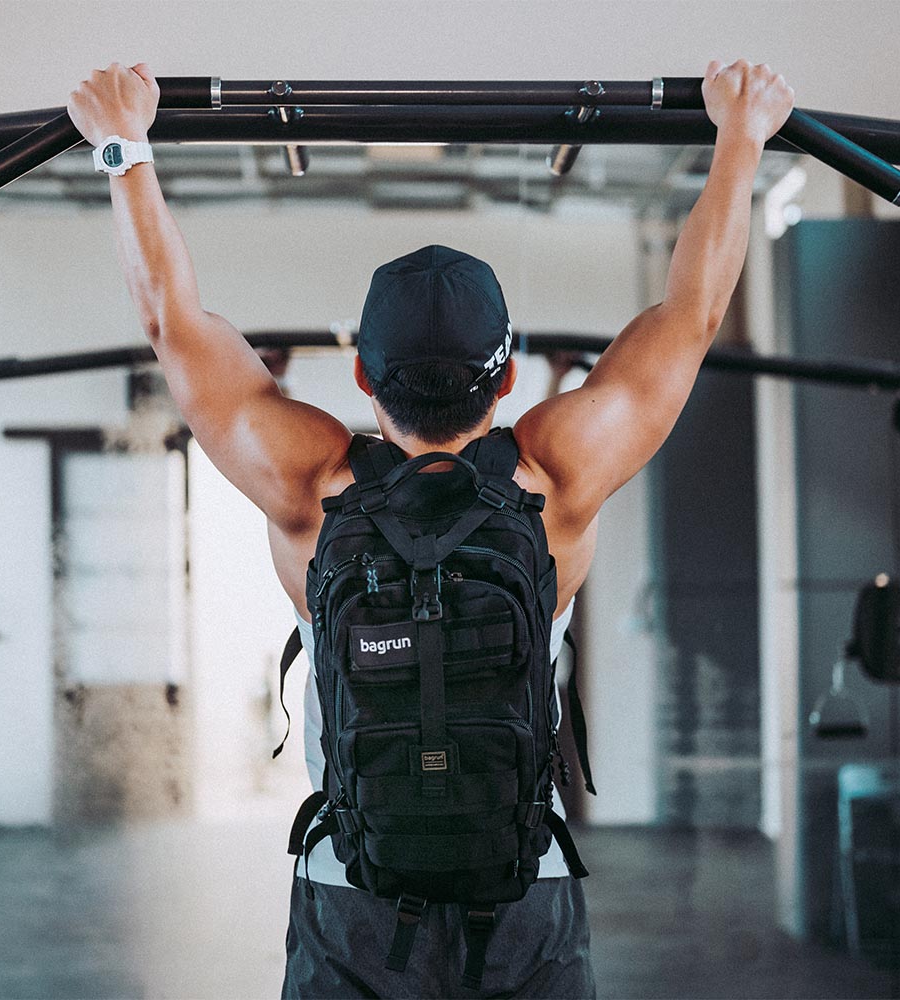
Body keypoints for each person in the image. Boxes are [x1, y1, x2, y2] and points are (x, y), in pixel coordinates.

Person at [67, 58, 794, 999]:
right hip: (524, 891)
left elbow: (171, 321)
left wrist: (124, 146)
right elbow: (692, 316)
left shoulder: (309, 484)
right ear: (508, 377)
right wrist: (741, 137)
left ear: (362, 377)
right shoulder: (558, 476)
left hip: (352, 892)